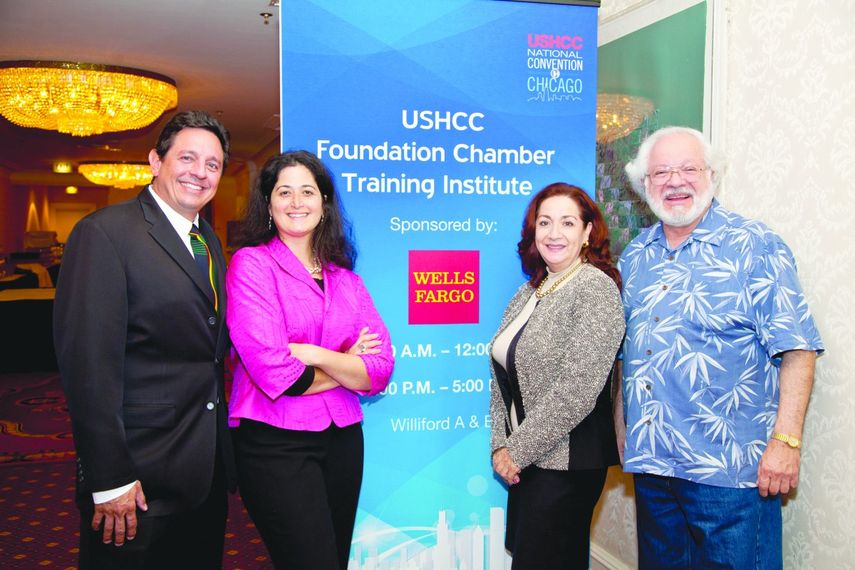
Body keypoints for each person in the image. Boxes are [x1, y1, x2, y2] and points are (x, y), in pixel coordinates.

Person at [615, 126, 824, 569]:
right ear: (643, 185)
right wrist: (622, 426)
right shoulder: (634, 257)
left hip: (730, 474)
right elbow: (627, 354)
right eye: (662, 172)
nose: (675, 181)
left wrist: (787, 441)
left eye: (689, 168)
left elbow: (798, 349)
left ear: (712, 174)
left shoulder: (754, 245)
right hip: (654, 465)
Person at [54, 110, 236, 569]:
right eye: (187, 157)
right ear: (155, 161)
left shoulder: (208, 241)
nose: (200, 172)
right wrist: (109, 477)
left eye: (212, 164)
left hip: (204, 470)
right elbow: (87, 368)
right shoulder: (104, 233)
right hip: (137, 480)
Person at [226, 150, 394, 569]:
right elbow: (277, 373)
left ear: (324, 204)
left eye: (307, 191)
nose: (296, 202)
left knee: (334, 560)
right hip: (275, 443)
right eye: (285, 192)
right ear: (268, 204)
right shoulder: (251, 266)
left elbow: (380, 369)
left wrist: (317, 355)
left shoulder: (347, 279)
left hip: (342, 441)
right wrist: (345, 365)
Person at [489, 182, 625, 568]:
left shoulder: (595, 289)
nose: (554, 233)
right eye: (545, 222)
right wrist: (502, 446)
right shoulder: (530, 291)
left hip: (568, 463)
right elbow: (501, 373)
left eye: (567, 222)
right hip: (529, 459)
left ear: (587, 233)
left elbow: (577, 390)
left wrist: (516, 451)